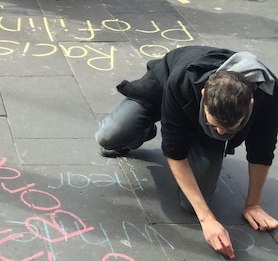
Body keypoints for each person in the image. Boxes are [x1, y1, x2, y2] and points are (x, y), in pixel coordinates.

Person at [95, 46, 278, 259]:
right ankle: (144, 129)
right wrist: (207, 220)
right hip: (163, 90)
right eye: (216, 124)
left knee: (189, 204)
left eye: (231, 127)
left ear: (250, 104)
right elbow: (173, 150)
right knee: (109, 137)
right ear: (204, 95)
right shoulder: (182, 80)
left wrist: (253, 203)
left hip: (199, 115)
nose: (221, 132)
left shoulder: (269, 95)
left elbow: (262, 151)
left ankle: (198, 138)